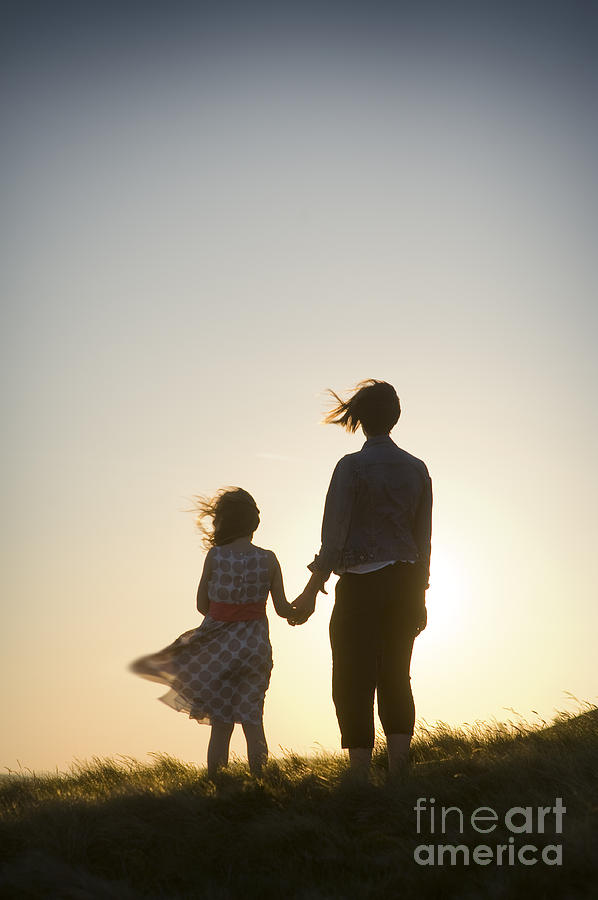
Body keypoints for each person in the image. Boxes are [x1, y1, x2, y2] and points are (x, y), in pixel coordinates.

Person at [289, 380, 432, 778]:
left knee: (352, 676)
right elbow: (424, 541)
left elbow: (333, 538)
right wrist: (420, 593)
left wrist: (310, 591)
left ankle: (359, 773)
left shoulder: (350, 467)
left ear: (361, 420)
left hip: (360, 586)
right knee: (395, 676)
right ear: (396, 418)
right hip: (405, 584)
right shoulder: (417, 469)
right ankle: (399, 768)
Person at [130, 487, 293, 777]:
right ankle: (261, 783)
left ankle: (217, 782)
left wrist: (225, 612)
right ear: (253, 523)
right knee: (254, 721)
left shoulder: (216, 557)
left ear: (223, 522)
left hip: (218, 650)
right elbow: (283, 608)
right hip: (255, 649)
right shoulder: (268, 559)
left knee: (221, 725)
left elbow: (201, 604)